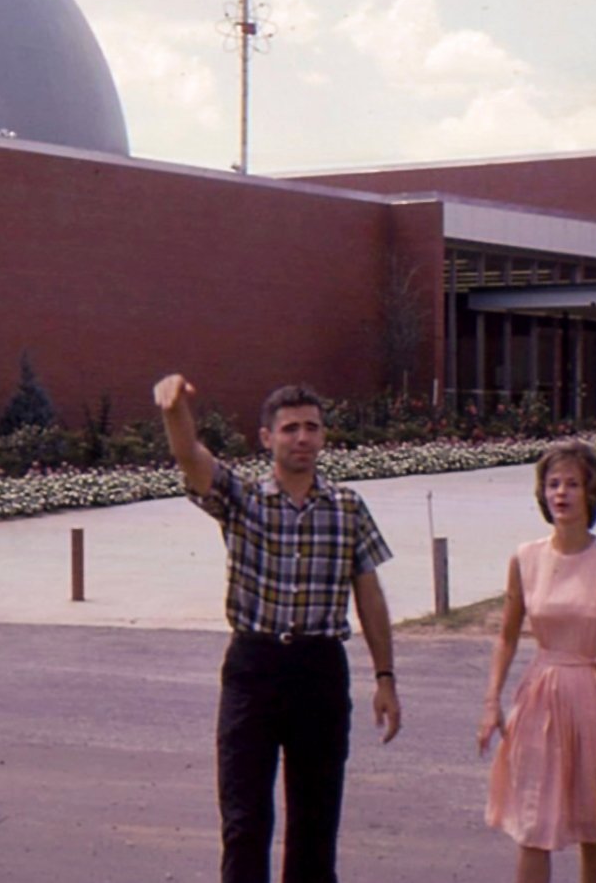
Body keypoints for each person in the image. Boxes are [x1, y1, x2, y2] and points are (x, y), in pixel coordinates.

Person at [153, 373, 401, 883]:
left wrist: (385, 677)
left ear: (324, 436)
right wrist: (174, 410)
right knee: (245, 820)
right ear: (267, 437)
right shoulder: (242, 500)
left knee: (315, 823)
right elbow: (191, 459)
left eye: (312, 427)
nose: (302, 438)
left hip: (320, 671)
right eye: (290, 428)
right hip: (254, 668)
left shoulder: (348, 507)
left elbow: (369, 595)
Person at [479, 441, 596, 883]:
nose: (561, 493)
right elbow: (506, 636)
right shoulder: (525, 557)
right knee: (532, 821)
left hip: (595, 697)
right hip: (540, 696)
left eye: (572, 484)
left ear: (591, 493)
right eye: (553, 484)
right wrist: (491, 702)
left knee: (595, 821)